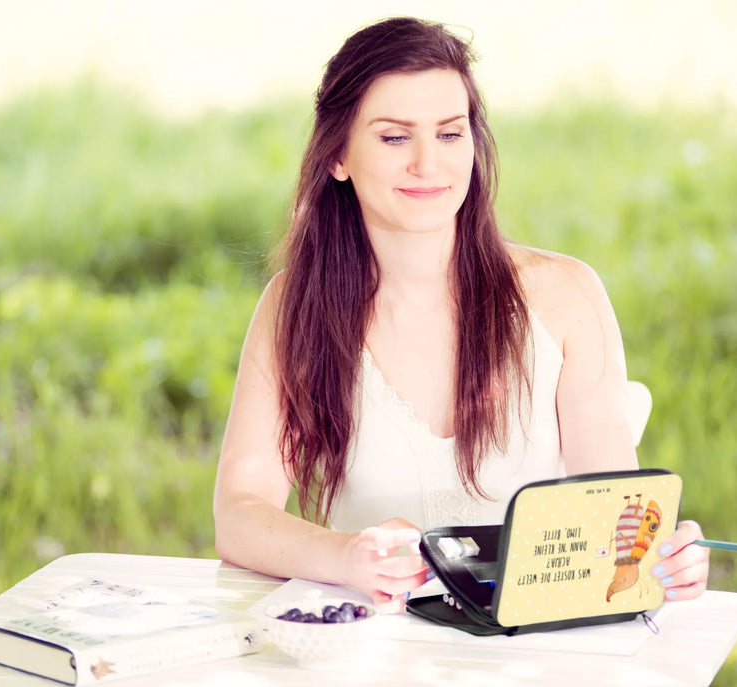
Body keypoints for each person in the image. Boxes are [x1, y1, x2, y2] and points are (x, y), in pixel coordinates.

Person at [213, 16, 709, 614]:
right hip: (373, 648)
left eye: (450, 134)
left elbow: (620, 515)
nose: (430, 164)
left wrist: (667, 554)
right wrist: (345, 557)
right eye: (395, 138)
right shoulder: (293, 308)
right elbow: (240, 516)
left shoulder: (565, 297)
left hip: (537, 647)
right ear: (337, 156)